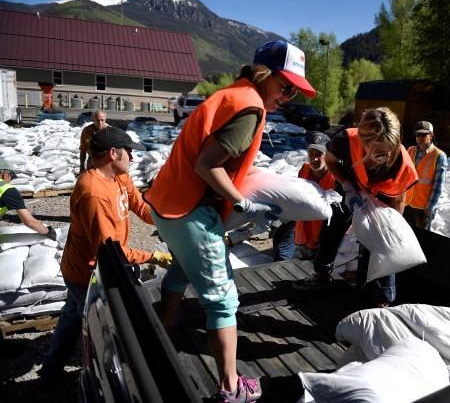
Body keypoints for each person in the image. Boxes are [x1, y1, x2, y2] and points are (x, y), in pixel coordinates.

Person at [143, 40, 316, 403]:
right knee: (223, 300)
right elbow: (207, 165)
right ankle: (230, 389)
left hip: (167, 205)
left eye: (294, 91)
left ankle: (166, 325)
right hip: (190, 210)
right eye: (286, 87)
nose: (288, 96)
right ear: (265, 75)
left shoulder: (231, 94)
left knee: (181, 269)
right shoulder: (250, 108)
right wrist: (244, 205)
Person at [40, 127, 171, 381]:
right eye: (129, 153)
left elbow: (140, 206)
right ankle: (102, 381)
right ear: (113, 153)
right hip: (87, 274)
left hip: (91, 267)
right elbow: (109, 252)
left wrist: (172, 223)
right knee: (101, 329)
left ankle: (50, 372)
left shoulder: (119, 176)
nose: (133, 159)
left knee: (71, 319)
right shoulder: (94, 194)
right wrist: (153, 256)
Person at [293, 107, 418, 308]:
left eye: (388, 151)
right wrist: (346, 185)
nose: (385, 156)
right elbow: (331, 161)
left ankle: (381, 299)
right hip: (350, 186)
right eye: (378, 152)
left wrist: (390, 228)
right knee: (332, 227)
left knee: (382, 241)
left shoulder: (401, 163)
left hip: (383, 196)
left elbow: (398, 199)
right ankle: (322, 273)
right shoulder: (344, 140)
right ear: (364, 142)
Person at [272, 131, 336, 261]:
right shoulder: (305, 169)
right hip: (303, 234)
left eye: (319, 154)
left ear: (328, 155)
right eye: (311, 154)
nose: (314, 159)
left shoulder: (334, 176)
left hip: (323, 238)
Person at [403, 121, 447, 230]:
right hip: (406, 204)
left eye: (423, 134)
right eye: (418, 134)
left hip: (423, 209)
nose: (420, 137)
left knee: (422, 242)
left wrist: (429, 210)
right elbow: (403, 177)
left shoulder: (439, 156)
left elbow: (438, 186)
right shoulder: (410, 151)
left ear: (431, 135)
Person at [0, 158, 57, 240]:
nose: (10, 181)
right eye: (12, 177)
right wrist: (48, 231)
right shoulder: (7, 190)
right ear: (5, 174)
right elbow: (29, 222)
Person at [79, 109, 109, 174]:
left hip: (106, 161)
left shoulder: (110, 131)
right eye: (98, 120)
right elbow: (83, 149)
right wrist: (81, 166)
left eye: (102, 120)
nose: (100, 123)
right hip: (92, 159)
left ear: (105, 119)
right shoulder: (87, 131)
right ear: (93, 119)